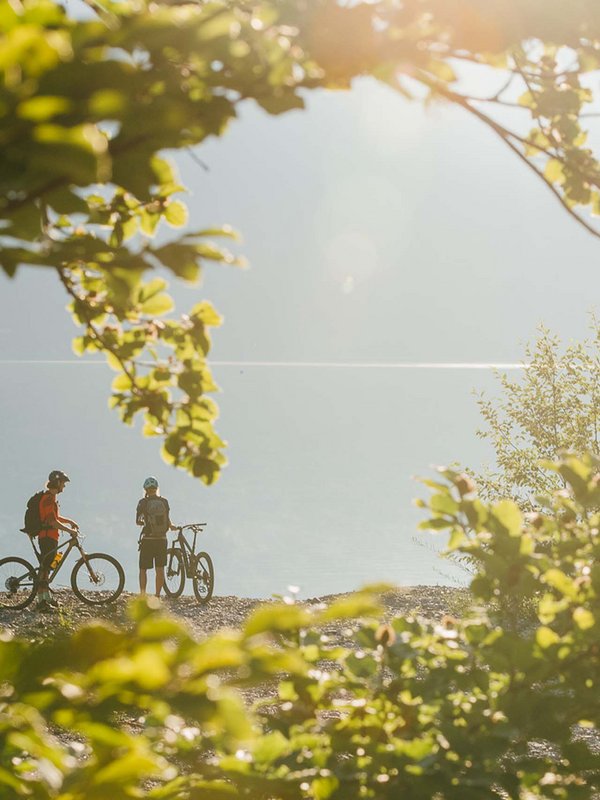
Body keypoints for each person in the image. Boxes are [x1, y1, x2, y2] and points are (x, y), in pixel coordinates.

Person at [37, 469, 79, 611]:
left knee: (47, 568)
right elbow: (52, 521)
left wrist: (70, 522)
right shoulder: (48, 498)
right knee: (44, 569)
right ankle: (41, 602)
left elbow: (56, 518)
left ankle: (46, 598)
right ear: (57, 482)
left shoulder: (51, 498)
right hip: (47, 536)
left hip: (51, 536)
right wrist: (70, 531)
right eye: (63, 483)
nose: (64, 486)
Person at [136, 477, 176, 597]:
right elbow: (167, 519)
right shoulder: (164, 501)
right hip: (162, 539)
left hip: (148, 539)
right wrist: (171, 526)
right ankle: (157, 595)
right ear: (157, 488)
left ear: (146, 489)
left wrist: (143, 522)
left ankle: (143, 595)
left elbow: (138, 521)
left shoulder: (143, 502)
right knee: (160, 569)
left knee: (143, 569)